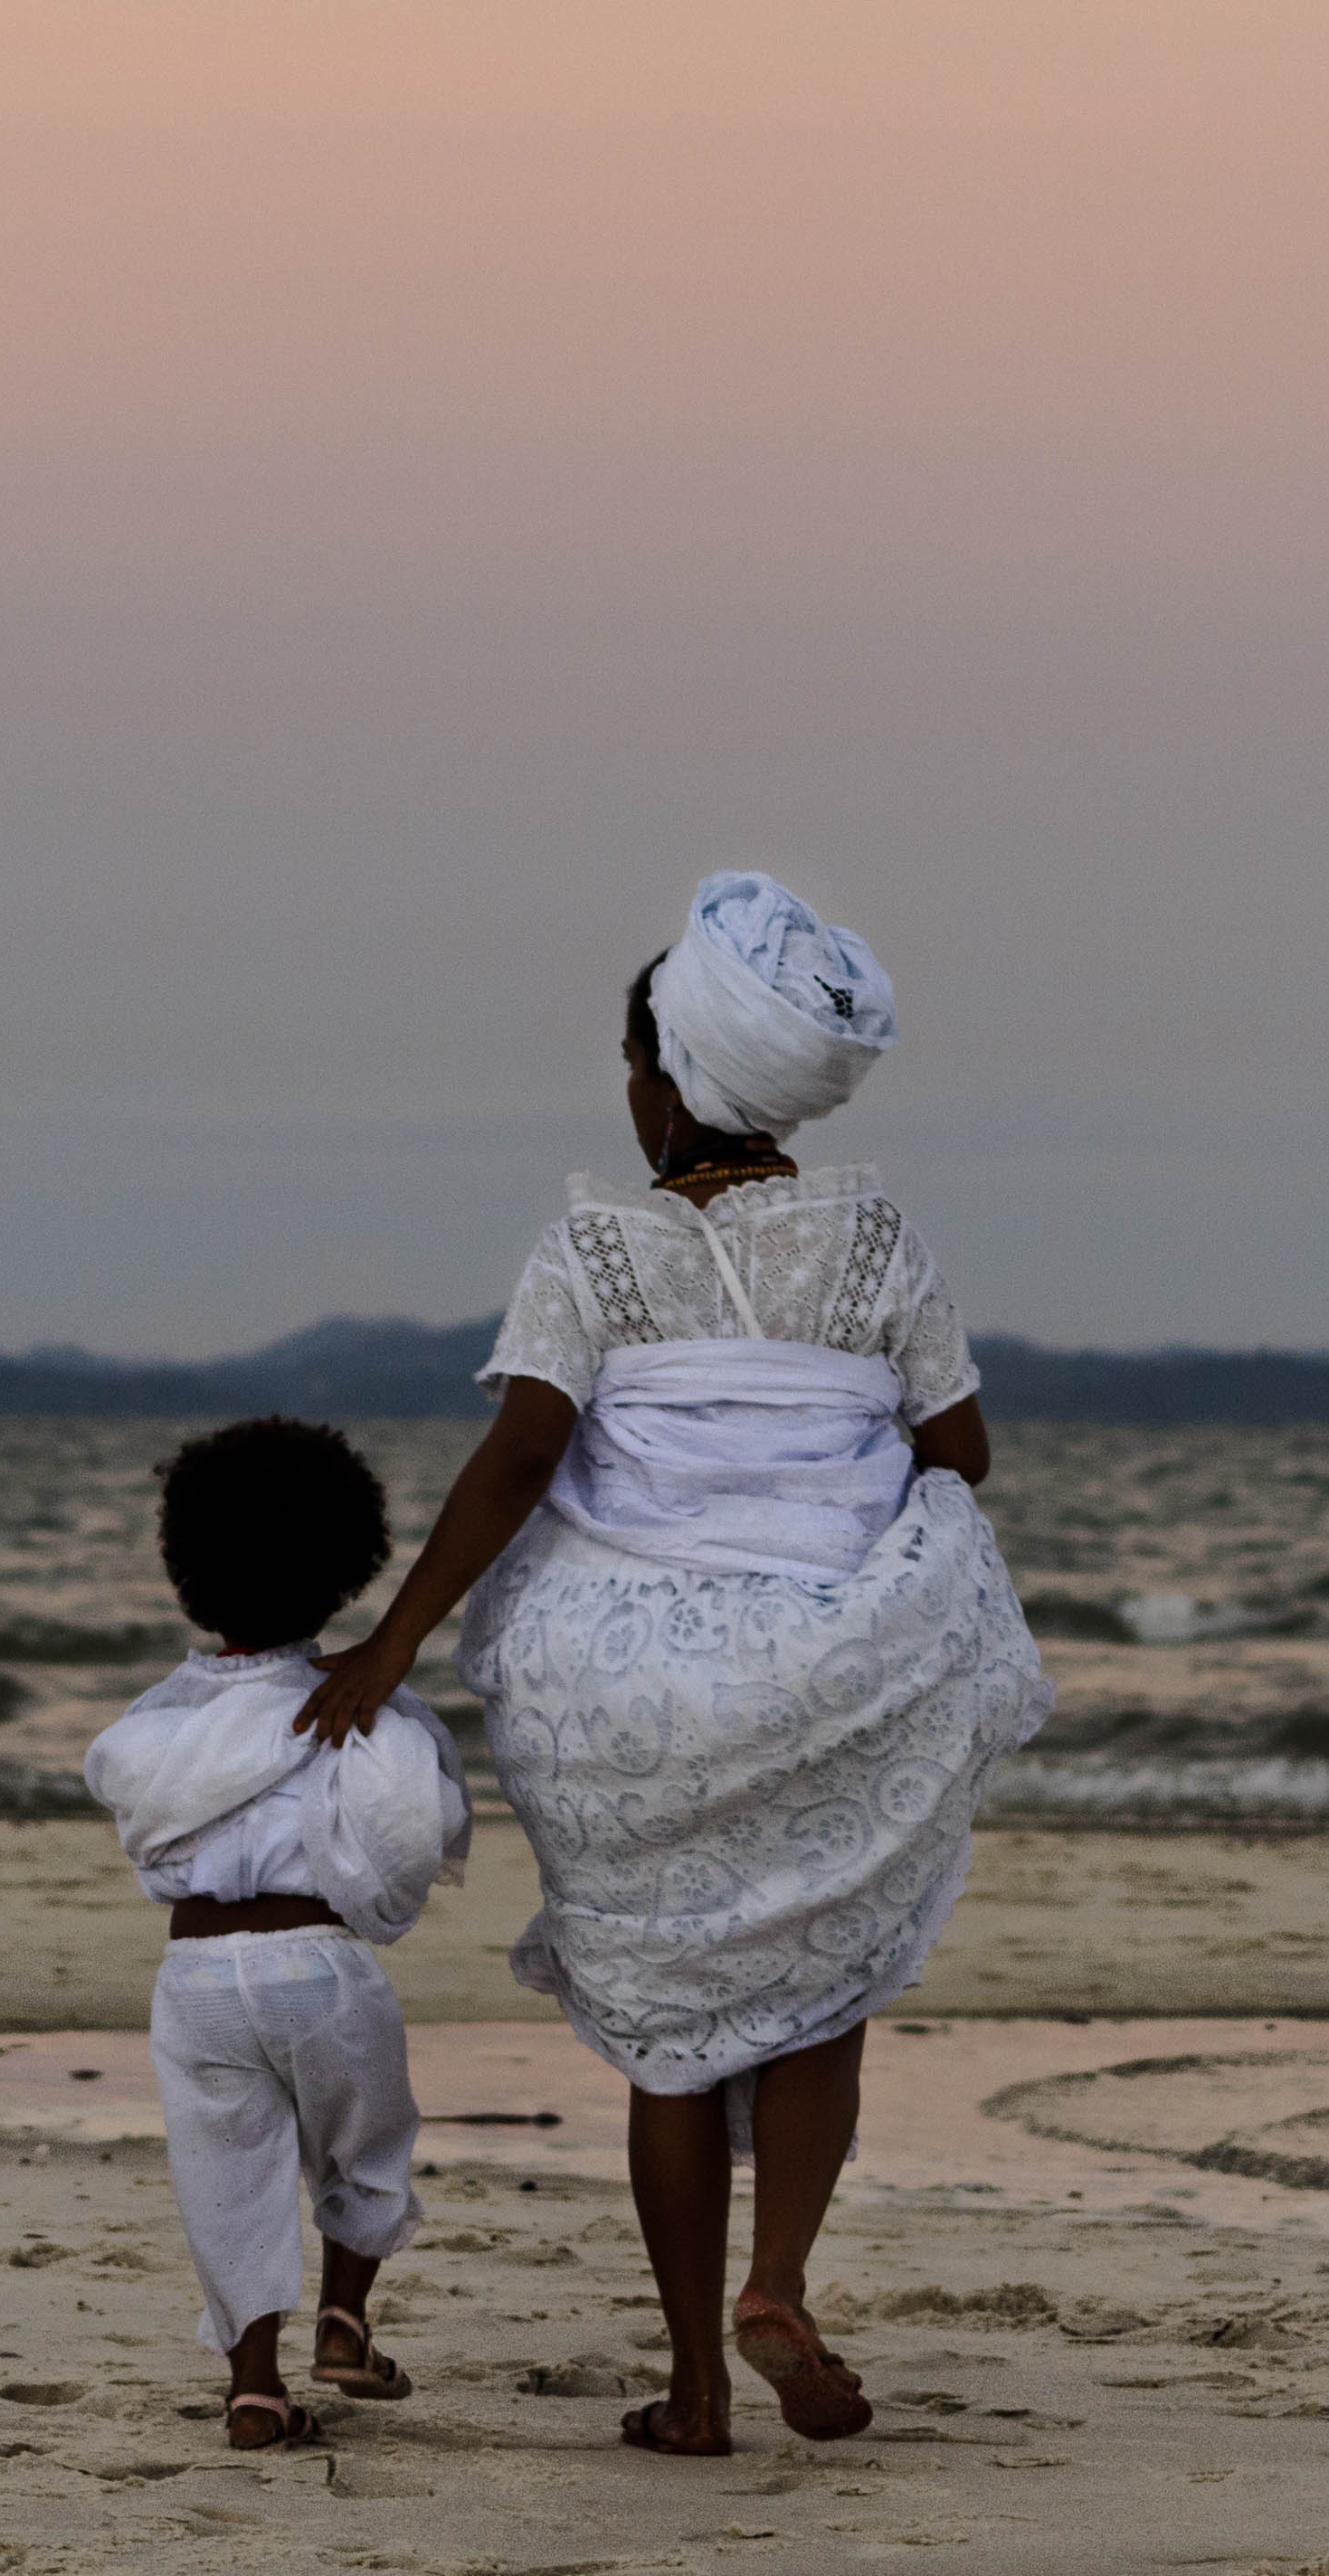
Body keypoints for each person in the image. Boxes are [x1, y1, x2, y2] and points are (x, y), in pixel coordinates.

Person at [291, 871, 1050, 2458]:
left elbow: (518, 1455)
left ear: (666, 1074)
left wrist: (393, 1639)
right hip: (832, 1664)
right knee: (818, 1993)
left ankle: (697, 2392)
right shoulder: (872, 1235)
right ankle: (778, 2280)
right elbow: (960, 1448)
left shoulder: (593, 1243)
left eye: (632, 1064)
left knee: (664, 2034)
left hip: (628, 1688)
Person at [82, 1416, 472, 2450]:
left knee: (226, 2173)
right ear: (347, 1570)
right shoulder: (366, 1707)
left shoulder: (159, 1721)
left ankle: (254, 2384)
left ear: (185, 1571)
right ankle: (345, 2318)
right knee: (366, 2147)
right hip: (324, 1964)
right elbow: (410, 1833)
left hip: (197, 1973)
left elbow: (146, 1832)